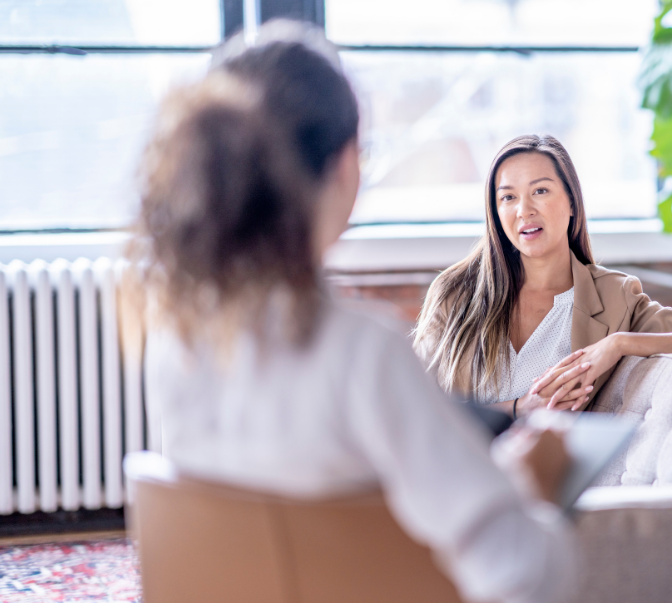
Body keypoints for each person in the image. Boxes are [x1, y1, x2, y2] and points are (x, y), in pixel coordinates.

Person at [131, 21, 577, 603]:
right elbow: (526, 574)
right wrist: (529, 490)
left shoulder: (177, 339)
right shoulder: (362, 351)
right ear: (345, 165)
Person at [414, 135, 672, 417]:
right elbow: (413, 407)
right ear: (496, 212)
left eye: (541, 191)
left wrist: (619, 343)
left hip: (558, 487)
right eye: (508, 197)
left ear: (572, 202)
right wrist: (519, 409)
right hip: (463, 479)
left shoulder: (614, 297)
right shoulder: (455, 293)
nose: (524, 209)